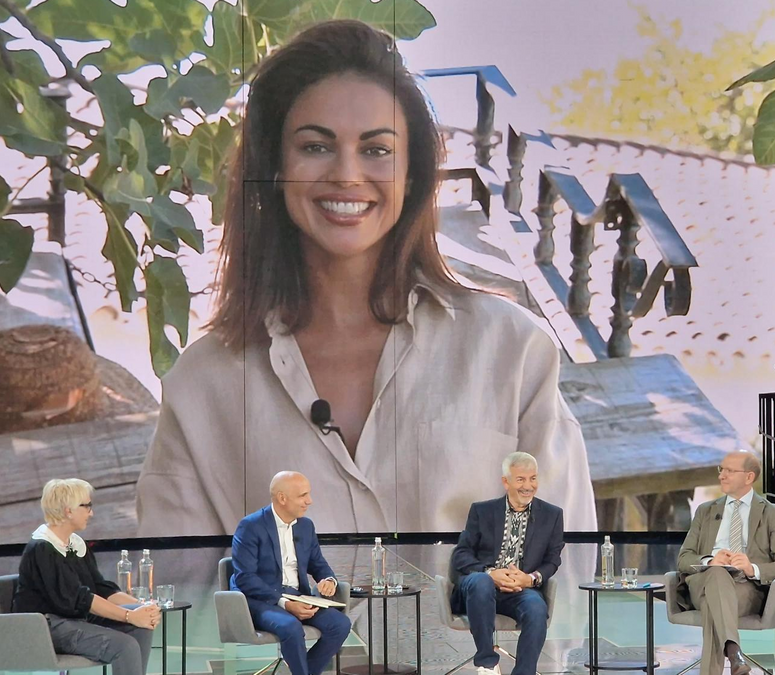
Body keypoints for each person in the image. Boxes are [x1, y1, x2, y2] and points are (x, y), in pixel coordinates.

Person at [136, 18, 595, 537]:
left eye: (377, 150)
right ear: (272, 167)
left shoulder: (513, 352)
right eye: (315, 146)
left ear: (414, 174)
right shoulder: (202, 388)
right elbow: (184, 605)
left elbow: (570, 581)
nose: (347, 175)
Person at [12, 479, 159, 675]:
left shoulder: (76, 544)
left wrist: (141, 607)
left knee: (140, 627)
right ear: (68, 510)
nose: (91, 513)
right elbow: (79, 598)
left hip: (75, 619)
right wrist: (129, 615)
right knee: (125, 645)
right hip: (46, 626)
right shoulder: (42, 548)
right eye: (87, 506)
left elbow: (102, 589)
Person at [676, 450, 775, 675]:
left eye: (729, 471)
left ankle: (733, 652)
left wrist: (753, 568)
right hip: (702, 582)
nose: (722, 475)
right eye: (721, 470)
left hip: (746, 589)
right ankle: (734, 652)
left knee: (717, 605)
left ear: (749, 477)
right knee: (717, 574)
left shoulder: (770, 513)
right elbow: (683, 558)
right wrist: (710, 560)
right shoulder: (705, 511)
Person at [450, 452, 563, 675]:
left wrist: (530, 579)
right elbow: (460, 554)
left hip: (521, 589)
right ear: (506, 481)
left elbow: (552, 560)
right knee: (482, 582)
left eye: (533, 478)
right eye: (521, 479)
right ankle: (487, 663)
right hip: (479, 587)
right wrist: (491, 573)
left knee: (536, 608)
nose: (528, 486)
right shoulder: (482, 511)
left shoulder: (552, 515)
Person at [231, 471, 351, 675]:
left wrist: (327, 579)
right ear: (282, 498)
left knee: (340, 624)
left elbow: (318, 563)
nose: (309, 501)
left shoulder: (305, 526)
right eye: (303, 495)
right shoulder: (251, 526)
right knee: (291, 627)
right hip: (262, 600)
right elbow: (245, 578)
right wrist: (284, 603)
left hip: (298, 595)